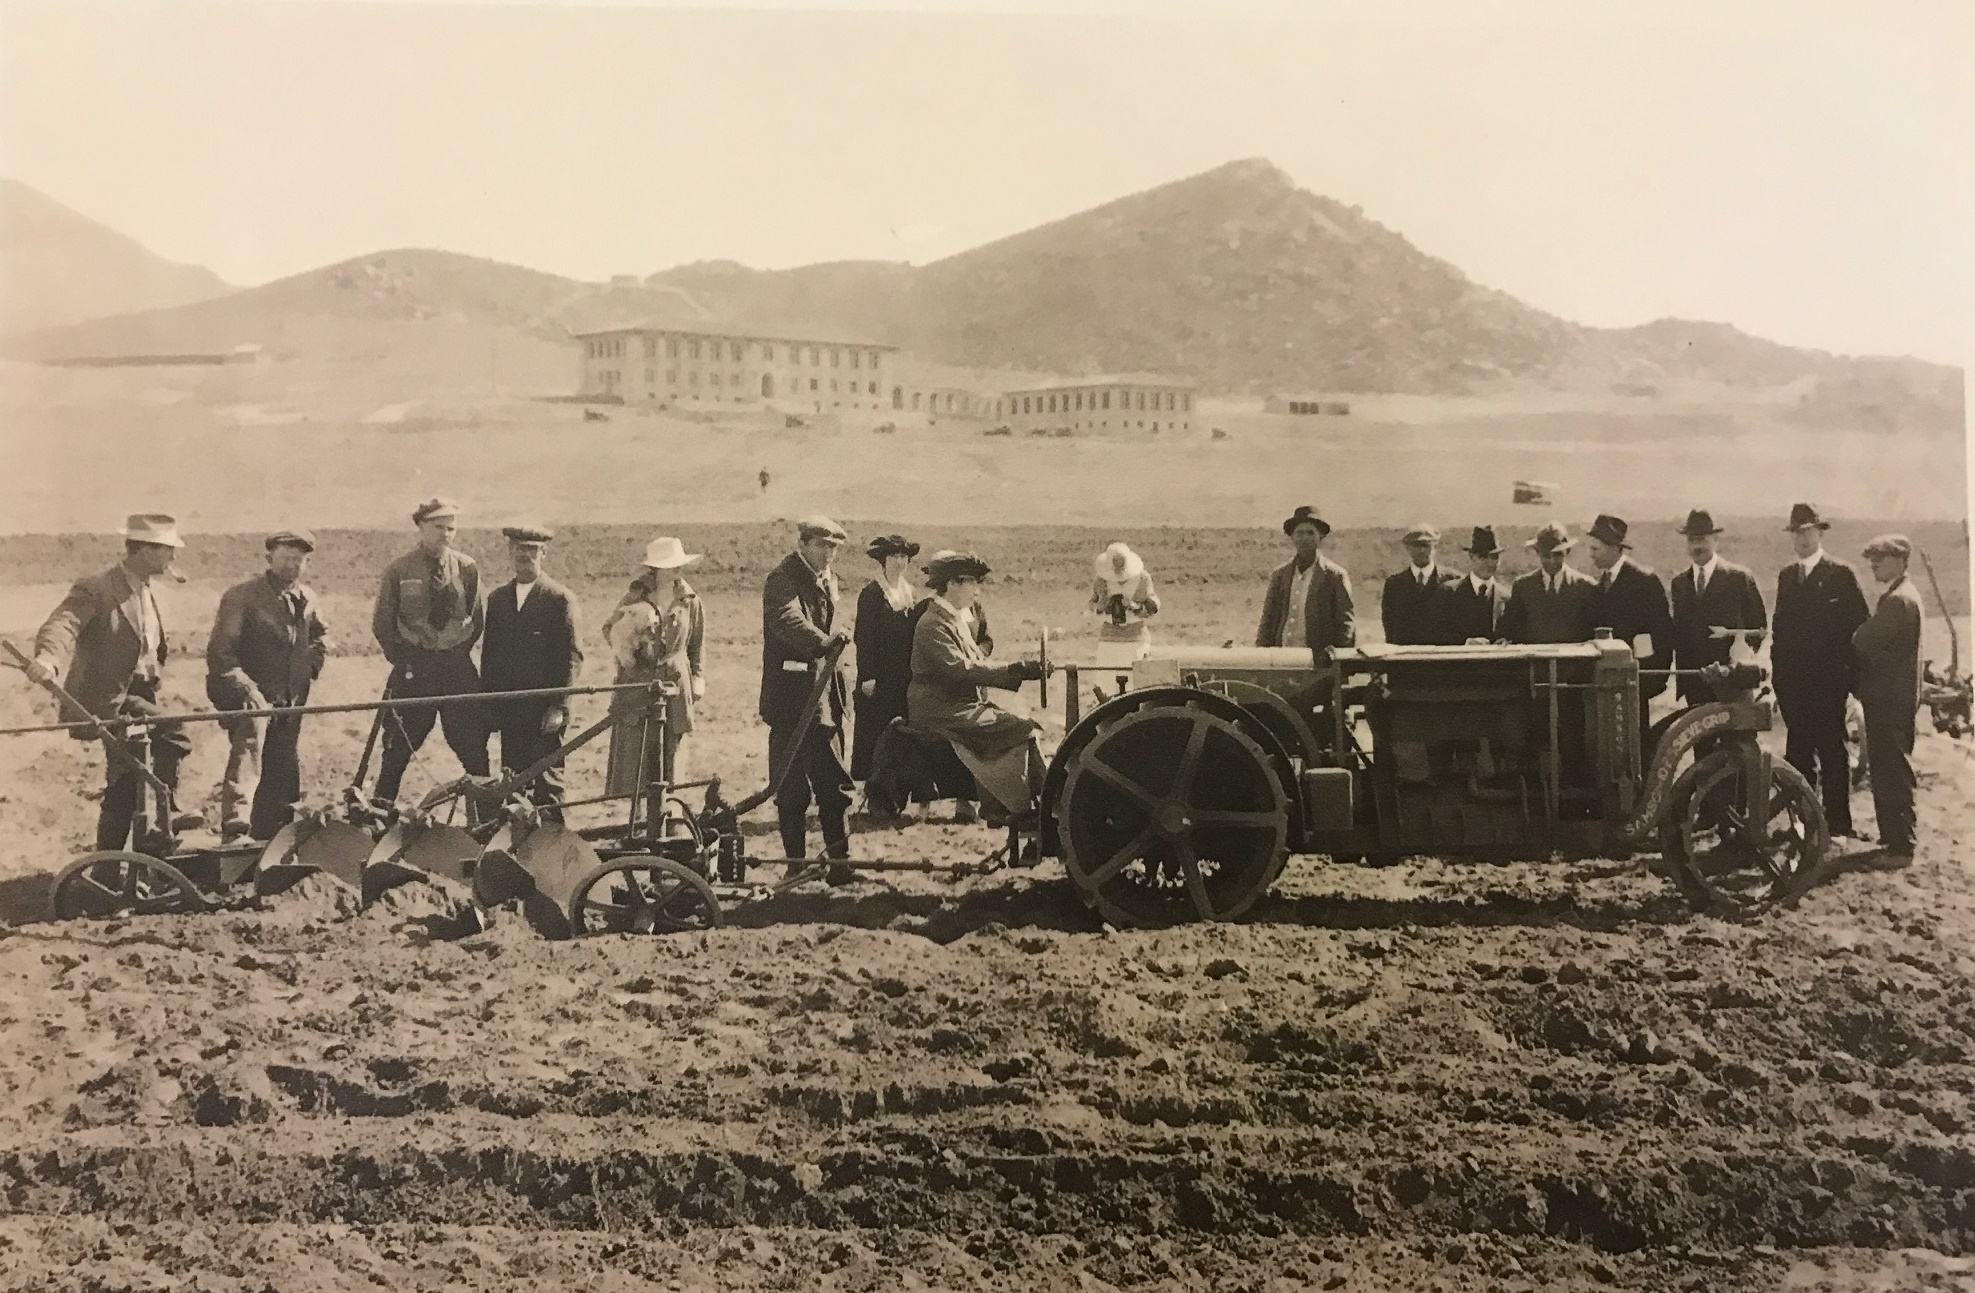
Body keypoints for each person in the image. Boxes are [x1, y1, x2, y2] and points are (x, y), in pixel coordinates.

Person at [26, 514, 200, 853]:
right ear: (146, 551)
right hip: (110, 700)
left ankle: (119, 860)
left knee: (126, 780)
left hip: (139, 694)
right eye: (168, 550)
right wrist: (48, 658)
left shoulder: (148, 592)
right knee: (173, 733)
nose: (173, 558)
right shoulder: (97, 588)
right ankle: (165, 815)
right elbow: (64, 622)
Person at [206, 528, 330, 841]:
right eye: (287, 558)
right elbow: (221, 652)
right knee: (250, 749)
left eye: (299, 560)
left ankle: (277, 834)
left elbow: (320, 635)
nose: (293, 565)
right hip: (248, 693)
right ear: (269, 558)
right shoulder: (243, 597)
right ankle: (236, 827)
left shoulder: (308, 598)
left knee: (284, 760)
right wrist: (246, 688)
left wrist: (310, 665)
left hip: (290, 695)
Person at [907, 551, 1047, 827]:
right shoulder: (932, 623)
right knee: (1022, 729)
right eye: (971, 583)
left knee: (1019, 728)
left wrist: (1020, 669)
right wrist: (1015, 670)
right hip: (940, 710)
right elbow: (960, 669)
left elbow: (976, 661)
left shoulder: (953, 619)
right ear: (951, 585)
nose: (976, 591)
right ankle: (1017, 808)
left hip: (958, 705)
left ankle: (1031, 803)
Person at [370, 498, 489, 803]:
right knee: (398, 749)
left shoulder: (467, 568)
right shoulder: (399, 570)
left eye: (451, 528)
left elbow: (475, 620)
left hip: (456, 670)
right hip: (414, 671)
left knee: (473, 748)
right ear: (421, 527)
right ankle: (381, 816)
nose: (446, 534)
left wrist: (454, 650)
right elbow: (383, 624)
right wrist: (407, 659)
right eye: (438, 527)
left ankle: (487, 821)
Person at [1772, 503, 1872, 840]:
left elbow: (1859, 631)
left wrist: (1850, 682)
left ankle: (1839, 825)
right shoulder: (1787, 577)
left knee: (1833, 753)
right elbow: (1780, 632)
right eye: (1795, 533)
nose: (1801, 539)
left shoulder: (1841, 575)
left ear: (1819, 533)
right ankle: (1802, 823)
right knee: (1797, 755)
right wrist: (1779, 681)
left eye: (1807, 532)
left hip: (1830, 685)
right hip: (1794, 686)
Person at [760, 516, 854, 861]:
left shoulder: (828, 581)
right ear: (803, 544)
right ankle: (795, 864)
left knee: (833, 784)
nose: (828, 553)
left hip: (825, 699)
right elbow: (787, 620)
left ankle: (840, 863)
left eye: (834, 547)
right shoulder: (783, 580)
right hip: (791, 700)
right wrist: (823, 643)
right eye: (821, 545)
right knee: (791, 788)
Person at [480, 525, 583, 819]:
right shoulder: (498, 600)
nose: (525, 555)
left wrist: (559, 706)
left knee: (548, 784)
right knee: (512, 782)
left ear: (544, 553)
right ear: (509, 552)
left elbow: (572, 658)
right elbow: (491, 658)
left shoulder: (559, 599)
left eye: (532, 550)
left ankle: (553, 850)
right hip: (511, 711)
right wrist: (491, 706)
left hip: (544, 713)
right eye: (519, 549)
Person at [603, 537, 705, 804]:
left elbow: (696, 643)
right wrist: (631, 649)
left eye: (678, 565)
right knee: (636, 754)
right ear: (656, 569)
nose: (676, 571)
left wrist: (697, 677)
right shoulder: (635, 596)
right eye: (670, 566)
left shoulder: (689, 599)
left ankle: (668, 817)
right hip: (638, 683)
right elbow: (610, 631)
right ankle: (636, 822)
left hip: (675, 682)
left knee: (671, 752)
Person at [1852, 534, 1924, 862]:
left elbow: (1864, 640)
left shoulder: (1897, 602)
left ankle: (1901, 846)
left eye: (1878, 559)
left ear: (1898, 560)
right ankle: (1893, 838)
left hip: (1889, 701)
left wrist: (1857, 635)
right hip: (1894, 699)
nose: (1873, 565)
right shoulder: (1903, 596)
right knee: (1888, 767)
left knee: (1892, 770)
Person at [1583, 514, 1674, 739]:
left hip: (1635, 685)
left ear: (1615, 549)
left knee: (1634, 744)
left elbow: (1662, 636)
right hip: (1605, 686)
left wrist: (1650, 683)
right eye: (1591, 549)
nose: (1591, 555)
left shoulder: (1644, 582)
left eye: (1596, 549)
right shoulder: (1598, 586)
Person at [1668, 509, 1768, 707]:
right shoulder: (1679, 584)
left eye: (1702, 539)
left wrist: (1738, 658)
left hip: (1733, 686)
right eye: (1691, 540)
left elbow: (1758, 629)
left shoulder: (1739, 578)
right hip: (1695, 685)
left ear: (1715, 540)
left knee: (1737, 738)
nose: (1696, 546)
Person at [851, 534, 920, 782]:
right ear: (883, 559)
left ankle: (897, 788)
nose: (899, 562)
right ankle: (872, 787)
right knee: (875, 728)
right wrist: (868, 676)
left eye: (903, 556)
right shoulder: (871, 594)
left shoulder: (911, 593)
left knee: (901, 728)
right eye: (894, 556)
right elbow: (864, 639)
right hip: (879, 674)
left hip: (903, 673)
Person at [1256, 505, 1354, 653]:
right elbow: (1267, 621)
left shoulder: (1335, 576)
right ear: (1292, 537)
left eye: (1310, 533)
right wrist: (1262, 653)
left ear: (1320, 537)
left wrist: (1335, 659)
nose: (1304, 538)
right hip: (1282, 656)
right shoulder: (1280, 575)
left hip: (1318, 661)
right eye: (1299, 533)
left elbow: (1345, 624)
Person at [1499, 522, 1598, 644]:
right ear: (1537, 553)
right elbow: (1511, 630)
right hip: (1534, 660)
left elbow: (1594, 633)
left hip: (1573, 661)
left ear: (1567, 551)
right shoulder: (1522, 587)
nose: (1552, 561)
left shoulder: (1586, 587)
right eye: (1546, 555)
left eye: (1557, 555)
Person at [1381, 525, 1456, 645]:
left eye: (1426, 546)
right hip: (1406, 656)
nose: (1421, 551)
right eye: (1416, 546)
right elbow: (1389, 625)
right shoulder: (1394, 584)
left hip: (1441, 655)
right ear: (1407, 548)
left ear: (1435, 547)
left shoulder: (1453, 580)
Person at [1090, 541, 1160, 667]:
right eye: (1115, 561)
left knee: (1137, 676)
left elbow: (1153, 607)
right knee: (1107, 676)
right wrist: (1101, 605)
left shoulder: (1142, 579)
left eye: (1121, 561)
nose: (1118, 565)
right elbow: (1093, 604)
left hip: (1136, 636)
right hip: (1109, 637)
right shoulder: (1101, 581)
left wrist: (1134, 606)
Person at [1446, 526, 1512, 644]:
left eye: (1494, 557)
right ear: (1471, 556)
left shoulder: (1507, 597)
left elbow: (1514, 633)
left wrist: (1506, 641)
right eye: (1482, 557)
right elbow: (1435, 632)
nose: (1489, 563)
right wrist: (1466, 642)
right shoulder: (1449, 593)